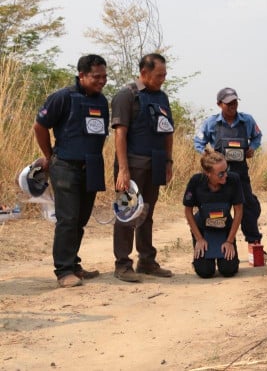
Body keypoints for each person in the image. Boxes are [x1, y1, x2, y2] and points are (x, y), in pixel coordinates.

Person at [33, 54, 109, 288]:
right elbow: (40, 126)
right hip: (66, 166)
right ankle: (63, 271)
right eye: (96, 77)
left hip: (92, 166)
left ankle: (74, 264)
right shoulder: (63, 97)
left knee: (81, 219)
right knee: (67, 218)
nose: (101, 81)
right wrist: (49, 156)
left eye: (105, 77)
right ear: (82, 75)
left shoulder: (102, 101)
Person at [111, 53, 174, 282]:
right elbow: (120, 134)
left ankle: (146, 261)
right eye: (159, 75)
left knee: (146, 213)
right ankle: (122, 264)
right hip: (132, 165)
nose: (162, 79)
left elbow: (168, 132)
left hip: (155, 164)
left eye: (165, 75)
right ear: (144, 73)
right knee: (127, 214)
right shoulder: (126, 96)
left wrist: (168, 161)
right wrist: (123, 170)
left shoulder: (162, 98)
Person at [194, 88, 263, 245]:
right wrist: (207, 154)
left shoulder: (248, 120)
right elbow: (198, 142)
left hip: (240, 173)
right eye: (228, 103)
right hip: (217, 175)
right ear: (219, 104)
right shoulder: (211, 122)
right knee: (216, 208)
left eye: (235, 102)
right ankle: (216, 243)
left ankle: (254, 242)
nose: (233, 105)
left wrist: (252, 147)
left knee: (248, 207)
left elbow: (258, 136)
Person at [183, 149, 242, 278]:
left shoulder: (234, 180)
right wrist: (199, 239)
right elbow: (188, 211)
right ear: (208, 173)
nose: (225, 175)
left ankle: (231, 259)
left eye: (226, 170)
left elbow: (238, 211)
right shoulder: (196, 181)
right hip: (203, 229)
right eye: (220, 174)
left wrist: (230, 241)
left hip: (225, 229)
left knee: (228, 270)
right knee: (205, 272)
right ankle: (200, 261)